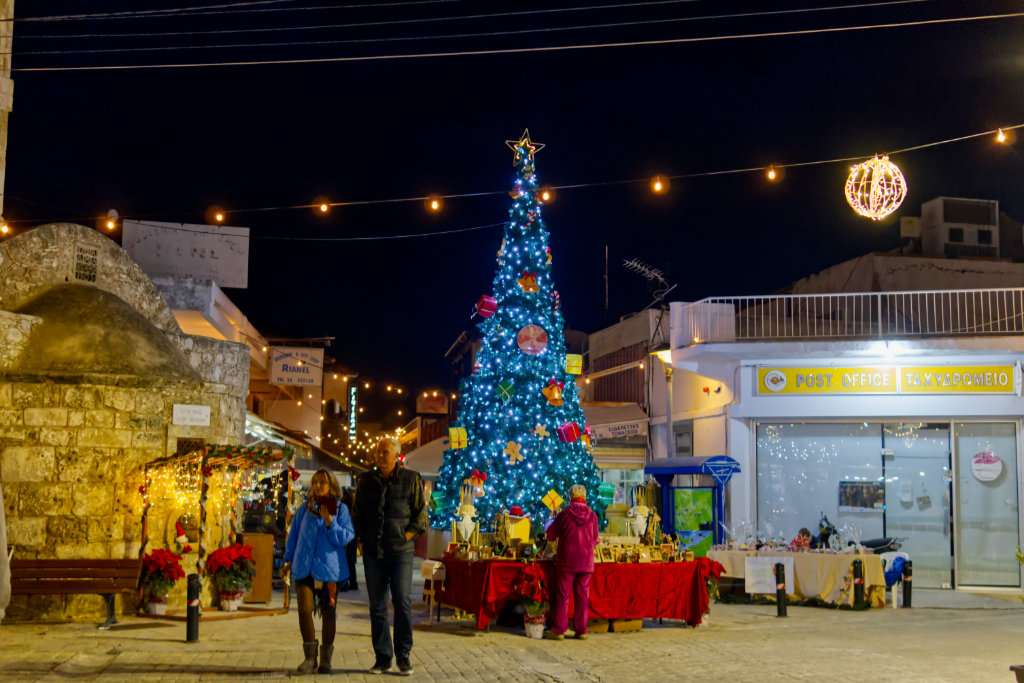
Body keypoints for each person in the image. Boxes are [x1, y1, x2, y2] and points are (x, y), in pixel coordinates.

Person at [353, 437, 427, 676]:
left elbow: (421, 516)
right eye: (378, 451)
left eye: (384, 452)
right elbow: (357, 513)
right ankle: (383, 658)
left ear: (396, 455)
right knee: (377, 606)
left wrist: (406, 536)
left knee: (402, 602)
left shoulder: (410, 479)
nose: (380, 455)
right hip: (373, 552)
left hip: (400, 553)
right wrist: (361, 541)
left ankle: (403, 657)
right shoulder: (366, 480)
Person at [282, 468, 354, 675]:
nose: (318, 485)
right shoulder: (304, 509)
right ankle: (309, 658)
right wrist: (288, 560)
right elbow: (294, 536)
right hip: (303, 566)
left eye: (322, 482)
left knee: (328, 613)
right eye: (315, 482)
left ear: (331, 486)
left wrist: (331, 523)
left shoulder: (340, 509)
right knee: (305, 610)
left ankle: (325, 660)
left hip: (329, 569)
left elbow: (347, 536)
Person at [544, 483, 600, 640]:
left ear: (571, 496)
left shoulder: (564, 514)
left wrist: (551, 523)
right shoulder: (592, 515)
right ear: (585, 497)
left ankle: (559, 630)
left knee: (563, 596)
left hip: (567, 561)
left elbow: (550, 535)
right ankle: (581, 630)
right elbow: (595, 539)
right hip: (586, 562)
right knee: (583, 597)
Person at [340, 487, 358, 591]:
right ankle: (353, 583)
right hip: (353, 536)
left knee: (346, 560)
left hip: (348, 536)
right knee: (350, 561)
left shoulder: (343, 506)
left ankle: (345, 583)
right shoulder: (351, 504)